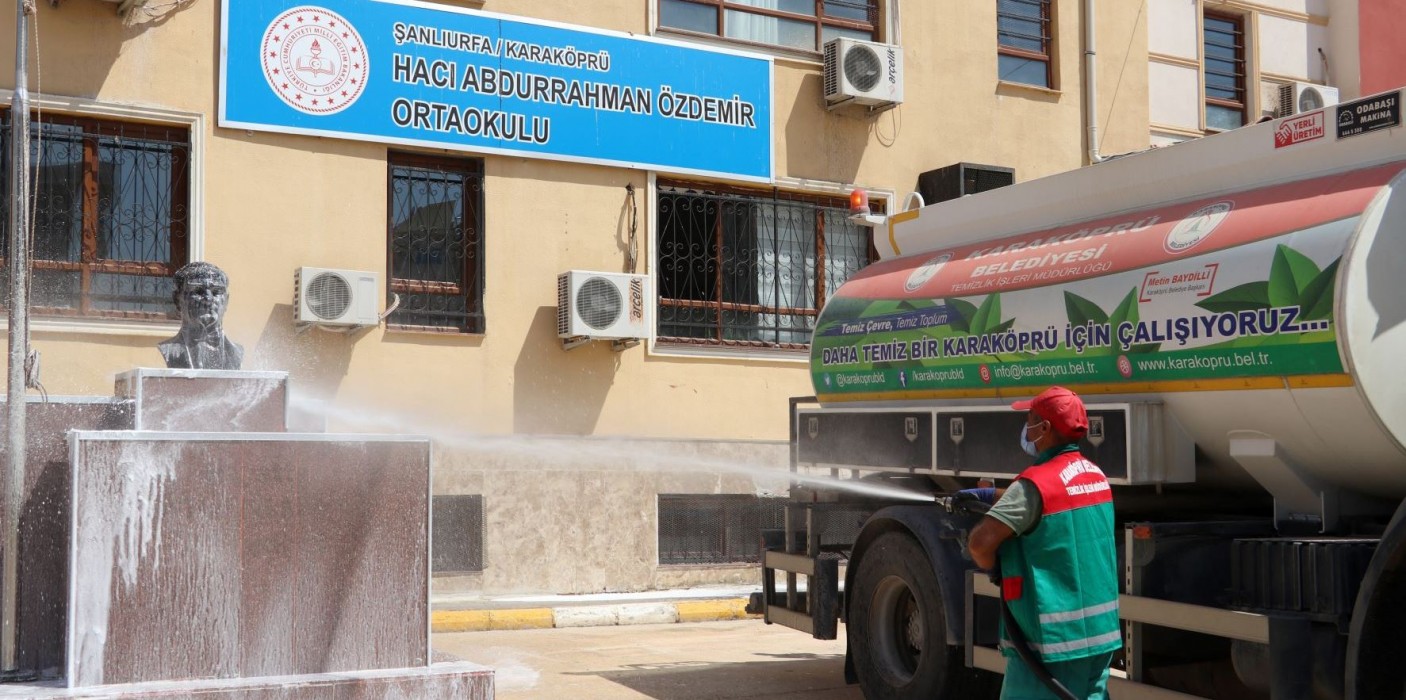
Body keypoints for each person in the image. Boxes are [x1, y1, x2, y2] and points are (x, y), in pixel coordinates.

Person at [962, 386, 1120, 700]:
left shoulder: (1034, 484)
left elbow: (980, 544)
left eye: (1031, 420)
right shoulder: (1097, 477)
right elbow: (1057, 500)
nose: (1027, 429)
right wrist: (991, 496)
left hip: (1049, 645)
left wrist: (996, 569)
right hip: (1099, 638)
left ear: (1045, 428)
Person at [158, 261, 244, 370]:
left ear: (226, 301)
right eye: (198, 291)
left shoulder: (236, 353)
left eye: (216, 292)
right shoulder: (169, 350)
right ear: (177, 299)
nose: (208, 299)